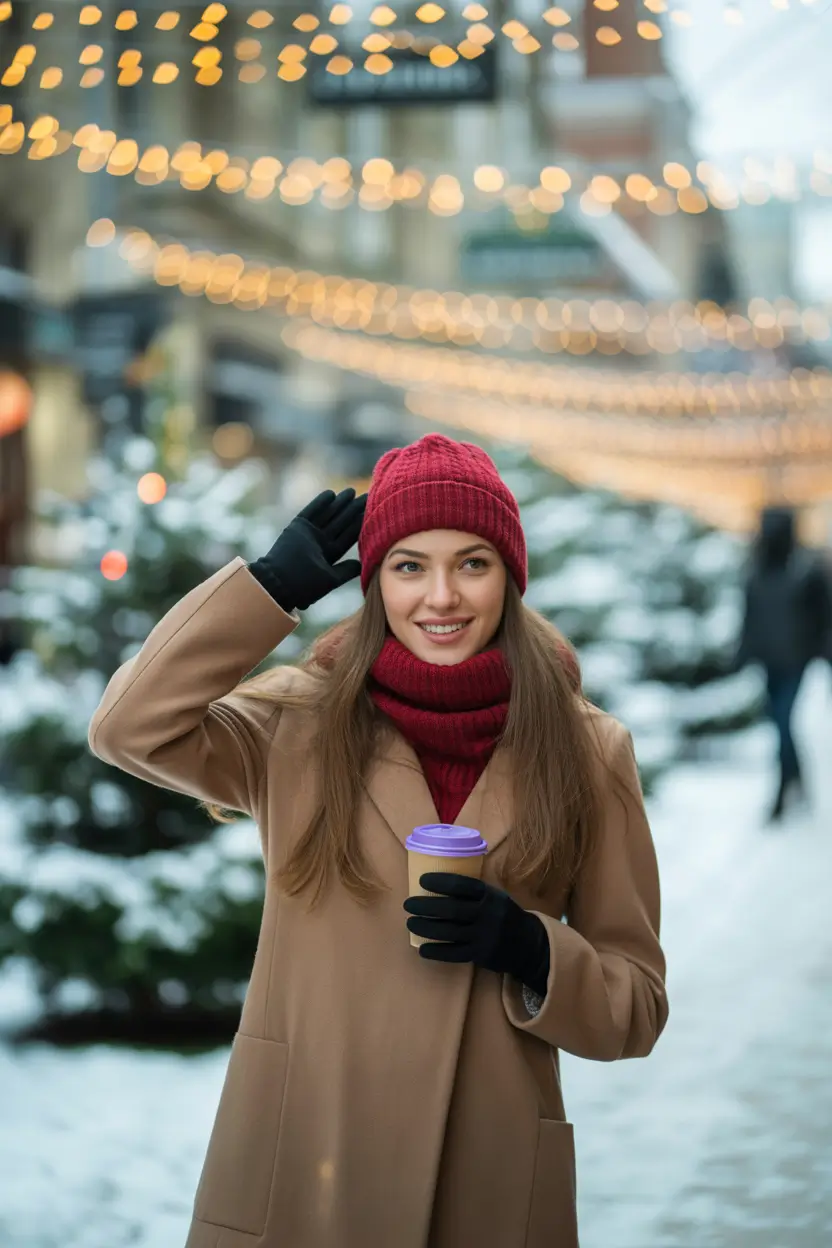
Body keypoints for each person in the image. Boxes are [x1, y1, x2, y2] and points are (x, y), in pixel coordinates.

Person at [88, 433, 668, 1248]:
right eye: (407, 565)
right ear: (372, 583)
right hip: (304, 1166)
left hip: (487, 1180)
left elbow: (635, 1005)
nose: (442, 597)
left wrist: (535, 953)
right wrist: (266, 590)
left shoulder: (587, 750)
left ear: (511, 576)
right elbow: (127, 730)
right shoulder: (295, 723)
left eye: (472, 563)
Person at [734, 505, 832, 823]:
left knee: (784, 721)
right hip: (768, 660)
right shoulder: (756, 570)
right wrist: (741, 654)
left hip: (795, 660)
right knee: (779, 724)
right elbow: (749, 618)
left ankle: (782, 791)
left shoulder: (807, 570)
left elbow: (823, 618)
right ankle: (796, 779)